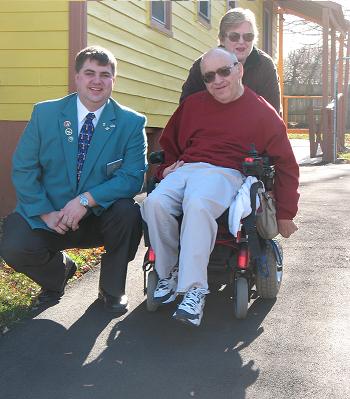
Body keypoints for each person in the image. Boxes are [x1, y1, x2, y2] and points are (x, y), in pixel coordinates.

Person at [141, 48, 299, 327]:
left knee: (198, 203)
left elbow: (286, 163)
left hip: (227, 172)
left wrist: (286, 212)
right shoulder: (192, 106)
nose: (217, 80)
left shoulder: (262, 111)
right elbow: (169, 145)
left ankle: (195, 290)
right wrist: (164, 169)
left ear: (239, 70)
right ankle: (168, 273)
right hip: (188, 167)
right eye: (209, 76)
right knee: (153, 203)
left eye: (224, 71)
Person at [0, 46, 147, 315]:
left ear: (114, 80)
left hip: (97, 217)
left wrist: (85, 201)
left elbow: (133, 178)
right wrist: (45, 213)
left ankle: (112, 290)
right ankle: (57, 276)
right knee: (13, 245)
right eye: (89, 72)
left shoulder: (131, 123)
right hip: (49, 216)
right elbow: (24, 168)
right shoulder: (46, 114)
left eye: (105, 74)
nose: (97, 81)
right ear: (77, 77)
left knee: (129, 212)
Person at [180, 7, 281, 113]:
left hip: (254, 127)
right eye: (234, 36)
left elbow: (273, 113)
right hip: (211, 126)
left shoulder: (265, 66)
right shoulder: (202, 66)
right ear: (222, 39)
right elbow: (186, 109)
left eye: (248, 36)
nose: (241, 42)